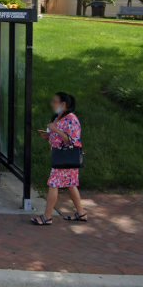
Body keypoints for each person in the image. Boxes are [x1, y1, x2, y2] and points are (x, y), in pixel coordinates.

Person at [31, 92, 87, 226]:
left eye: (54, 101)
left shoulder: (72, 119)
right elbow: (57, 137)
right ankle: (81, 213)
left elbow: (72, 141)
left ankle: (47, 217)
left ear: (63, 104)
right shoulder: (58, 117)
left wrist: (55, 130)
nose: (52, 103)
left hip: (65, 157)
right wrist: (47, 136)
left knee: (53, 184)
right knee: (71, 184)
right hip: (63, 157)